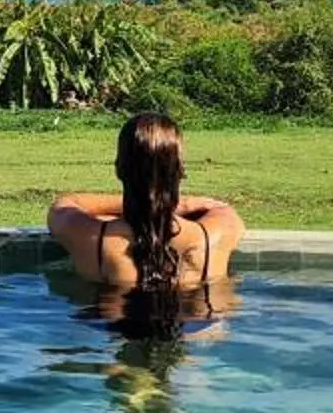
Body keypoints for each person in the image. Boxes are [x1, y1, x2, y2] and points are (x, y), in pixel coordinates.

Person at [47, 112, 245, 339]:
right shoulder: (212, 237)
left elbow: (64, 205)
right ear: (181, 171)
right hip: (198, 334)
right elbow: (222, 208)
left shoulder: (93, 238)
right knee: (217, 314)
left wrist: (145, 200)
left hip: (109, 332)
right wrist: (176, 204)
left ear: (119, 169)